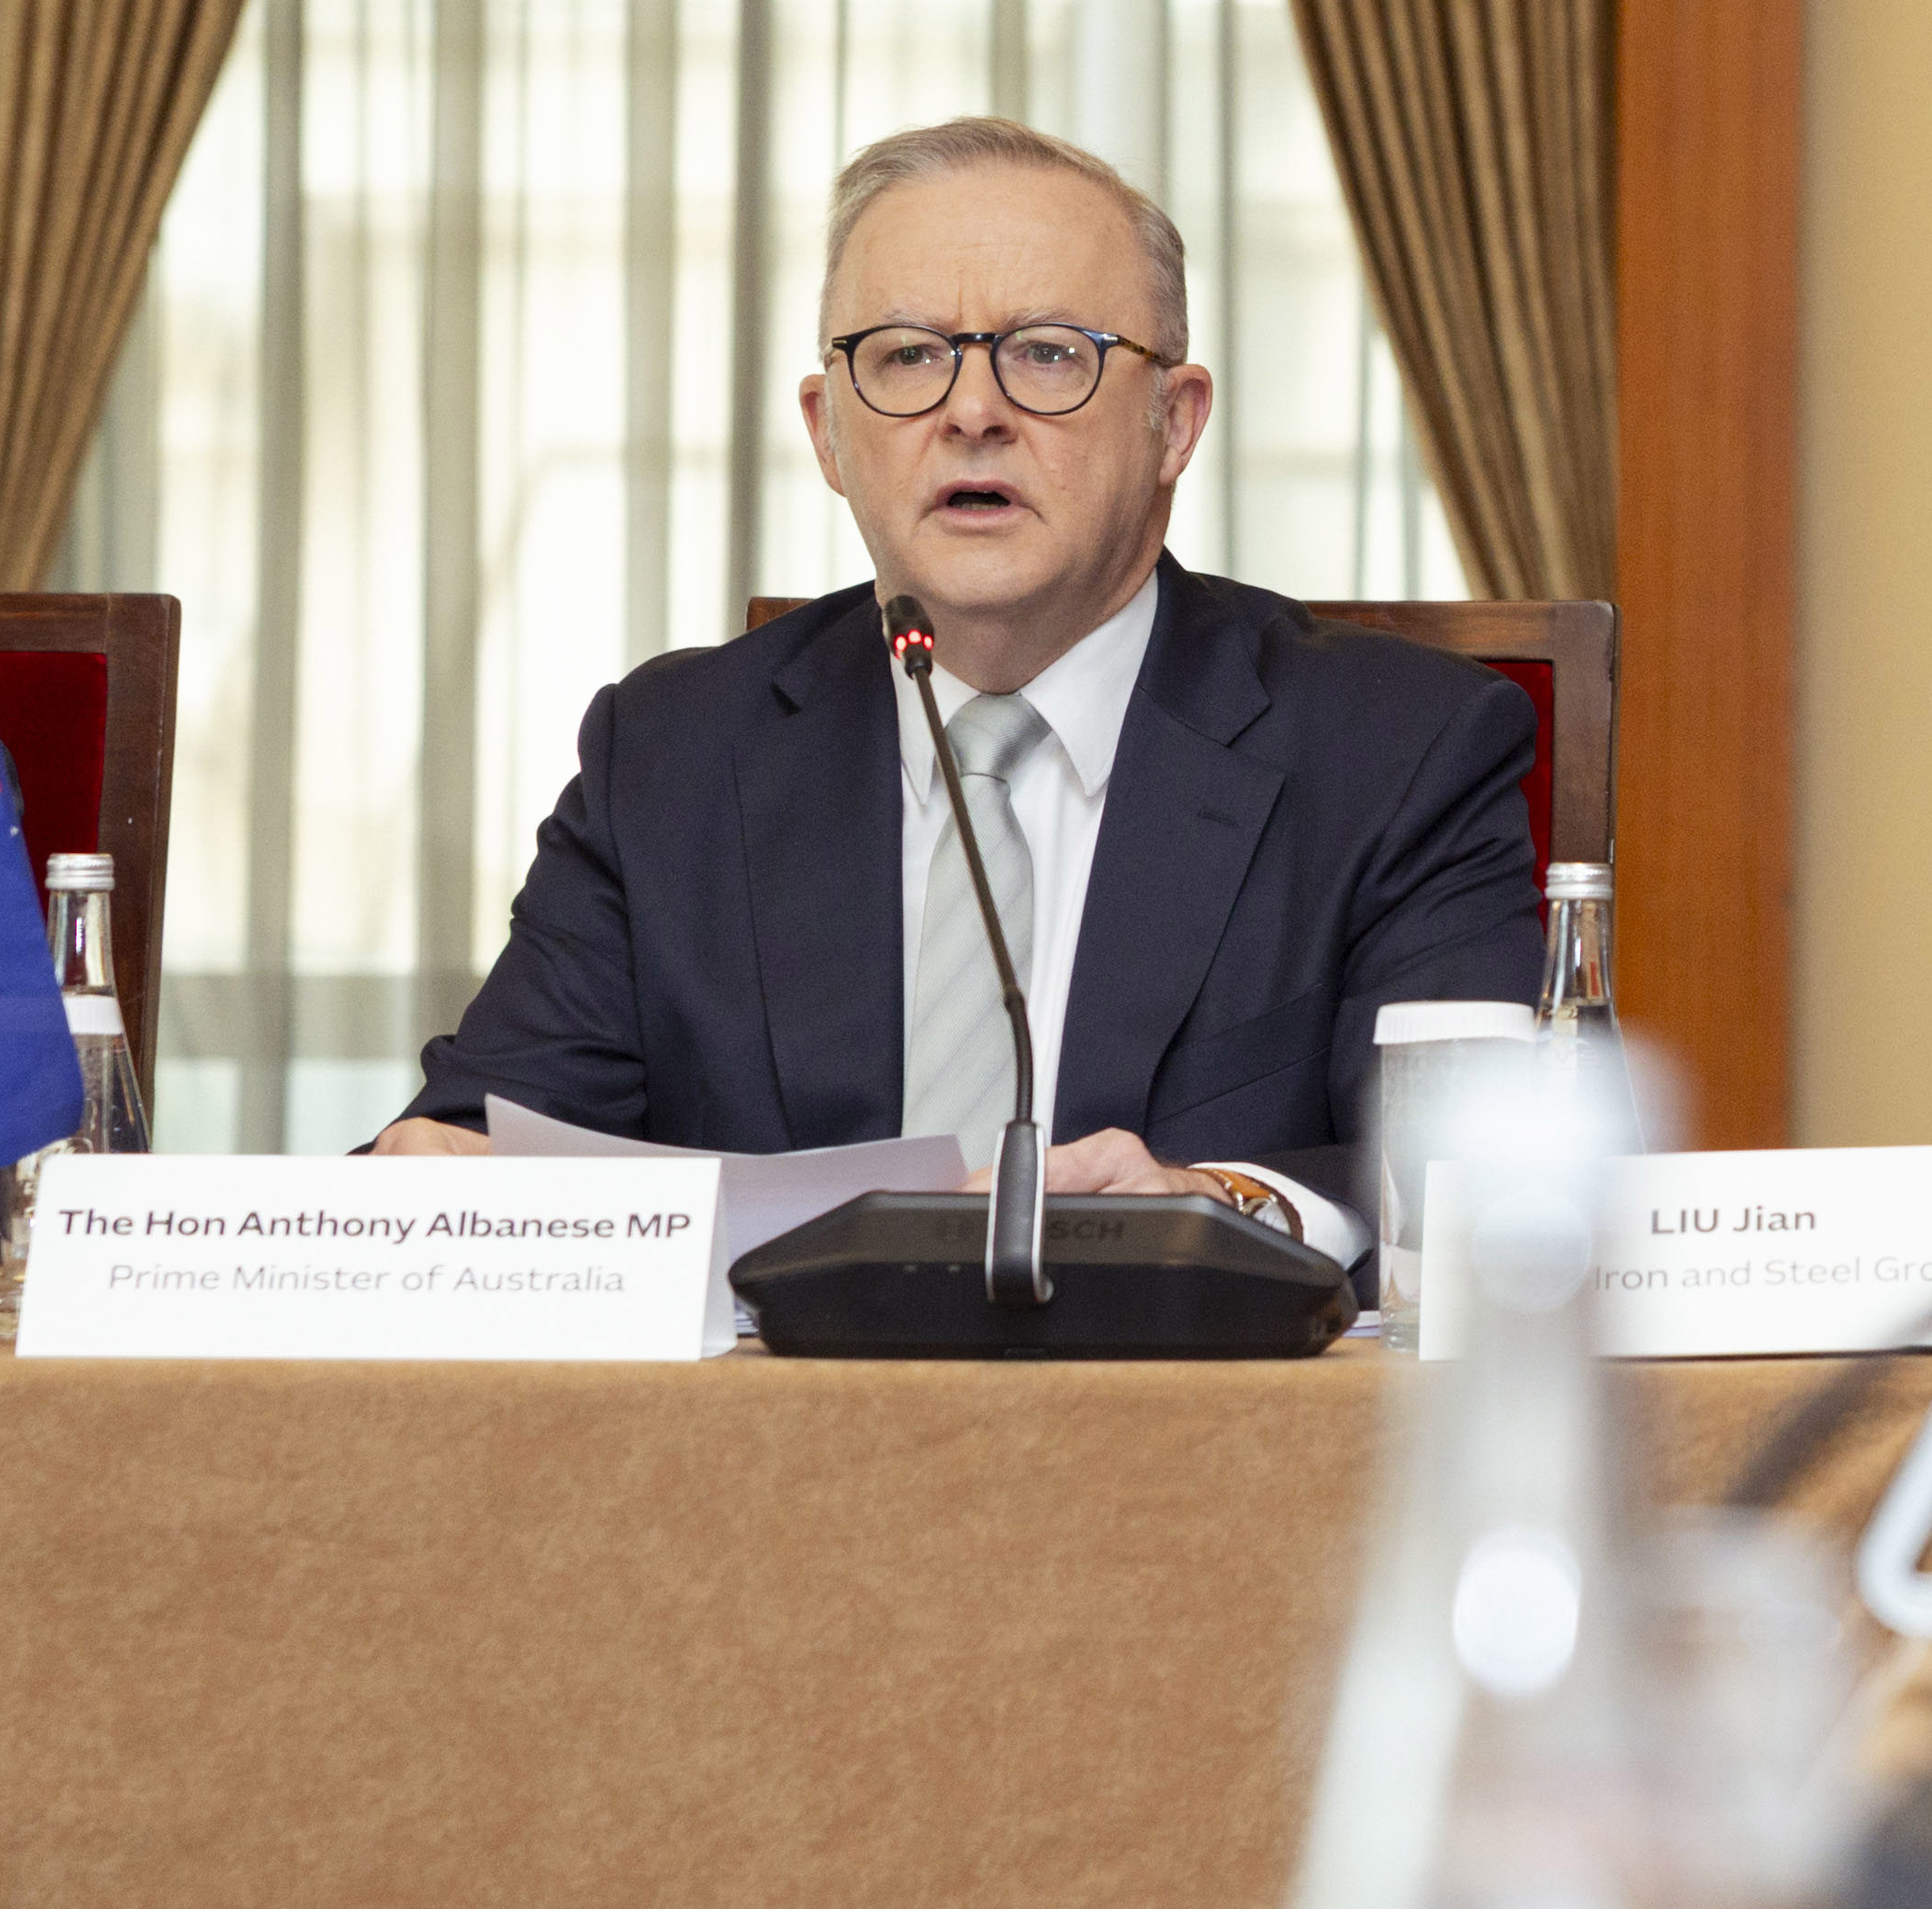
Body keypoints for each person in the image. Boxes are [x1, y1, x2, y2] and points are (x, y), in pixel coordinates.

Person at [387, 119, 1544, 1244]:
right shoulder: (674, 755)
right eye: (907, 356)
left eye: (1048, 353)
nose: (973, 413)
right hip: (761, 1431)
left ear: (1174, 423)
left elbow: (1467, 1180)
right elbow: (492, 1134)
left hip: (1185, 1417)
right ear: (829, 434)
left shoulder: (1399, 754)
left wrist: (1221, 1203)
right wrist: (440, 1174)